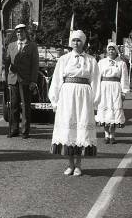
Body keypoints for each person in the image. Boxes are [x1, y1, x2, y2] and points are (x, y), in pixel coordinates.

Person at [48, 30, 99, 176]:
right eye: (74, 40)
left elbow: (95, 82)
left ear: (83, 42)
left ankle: (79, 165)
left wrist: (94, 103)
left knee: (81, 130)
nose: (76, 43)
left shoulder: (91, 60)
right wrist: (55, 101)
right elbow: (57, 81)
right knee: (68, 130)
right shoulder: (64, 59)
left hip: (84, 98)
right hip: (67, 97)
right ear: (70, 43)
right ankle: (70, 164)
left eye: (79, 41)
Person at [4, 23, 39, 139]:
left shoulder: (32, 46)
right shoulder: (11, 45)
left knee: (25, 106)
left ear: (25, 33)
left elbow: (35, 65)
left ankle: (25, 131)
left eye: (22, 32)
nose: (20, 34)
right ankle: (14, 130)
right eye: (18, 32)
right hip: (13, 79)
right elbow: (7, 61)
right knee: (13, 106)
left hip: (26, 80)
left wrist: (33, 81)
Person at [95, 42, 129, 144]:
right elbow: (97, 78)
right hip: (104, 87)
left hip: (116, 88)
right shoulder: (101, 62)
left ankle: (112, 135)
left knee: (114, 111)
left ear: (116, 51)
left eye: (113, 49)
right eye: (109, 49)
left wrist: (124, 91)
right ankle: (106, 135)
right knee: (105, 111)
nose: (111, 51)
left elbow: (124, 78)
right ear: (107, 50)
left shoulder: (121, 63)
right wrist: (96, 91)